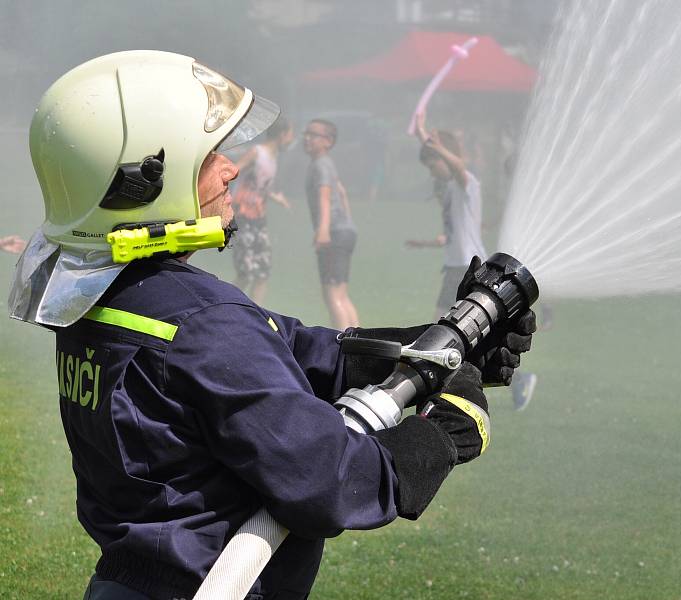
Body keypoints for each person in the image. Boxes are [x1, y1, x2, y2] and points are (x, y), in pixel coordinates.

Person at [7, 51, 536, 600]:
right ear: (145, 182)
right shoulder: (203, 322)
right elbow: (328, 479)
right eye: (211, 154)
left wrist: (439, 343)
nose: (232, 168)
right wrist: (444, 431)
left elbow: (296, 348)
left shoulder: (103, 304)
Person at [406, 111, 488, 318]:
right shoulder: (452, 187)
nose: (431, 172)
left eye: (433, 166)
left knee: (443, 323)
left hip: (466, 267)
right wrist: (421, 133)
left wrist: (438, 146)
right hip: (457, 267)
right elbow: (452, 236)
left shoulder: (465, 183)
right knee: (446, 323)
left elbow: (458, 165)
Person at [303, 118, 360, 329]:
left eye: (313, 135)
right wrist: (348, 222)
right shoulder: (326, 164)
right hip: (344, 231)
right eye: (306, 134)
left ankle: (345, 347)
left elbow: (325, 195)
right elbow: (342, 192)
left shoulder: (321, 164)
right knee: (341, 295)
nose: (307, 138)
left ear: (328, 141)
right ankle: (360, 341)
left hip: (334, 233)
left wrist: (323, 229)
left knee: (332, 295)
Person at [231, 115, 293, 305]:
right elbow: (233, 171)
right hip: (243, 219)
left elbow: (261, 186)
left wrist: (276, 197)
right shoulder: (257, 152)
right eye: (291, 134)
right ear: (282, 135)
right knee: (246, 273)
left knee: (263, 271)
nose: (292, 139)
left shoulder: (274, 158)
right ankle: (228, 306)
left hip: (259, 220)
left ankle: (258, 313)